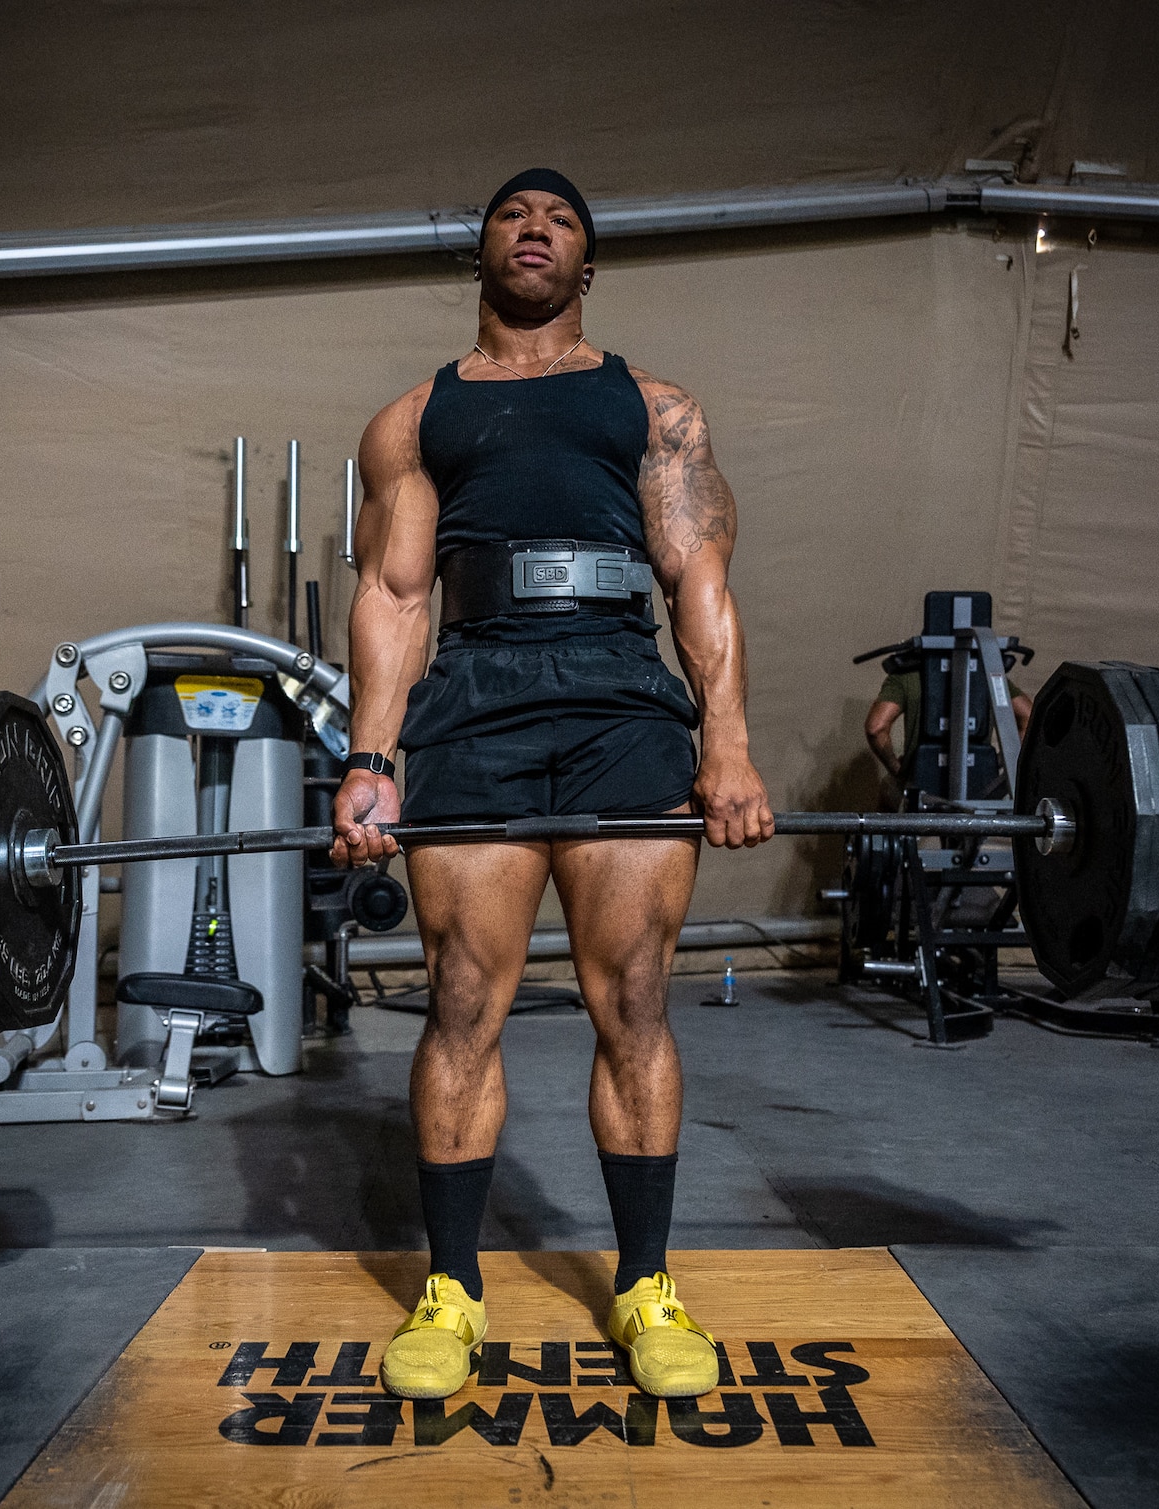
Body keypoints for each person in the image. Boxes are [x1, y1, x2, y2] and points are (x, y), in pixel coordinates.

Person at [330, 168, 774, 1401]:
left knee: (631, 997)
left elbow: (697, 583)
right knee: (461, 996)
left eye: (562, 218)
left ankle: (641, 1283)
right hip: (472, 705)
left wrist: (724, 746)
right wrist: (371, 761)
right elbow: (396, 598)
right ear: (479, 252)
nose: (535, 227)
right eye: (513, 213)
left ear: (587, 267)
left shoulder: (653, 406)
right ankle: (453, 1288)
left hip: (621, 705)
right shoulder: (412, 421)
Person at [864, 661, 1032, 790]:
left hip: (920, 783)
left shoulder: (907, 674)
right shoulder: (988, 674)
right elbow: (1029, 717)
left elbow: (876, 728)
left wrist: (898, 770)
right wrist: (997, 762)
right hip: (976, 784)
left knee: (888, 790)